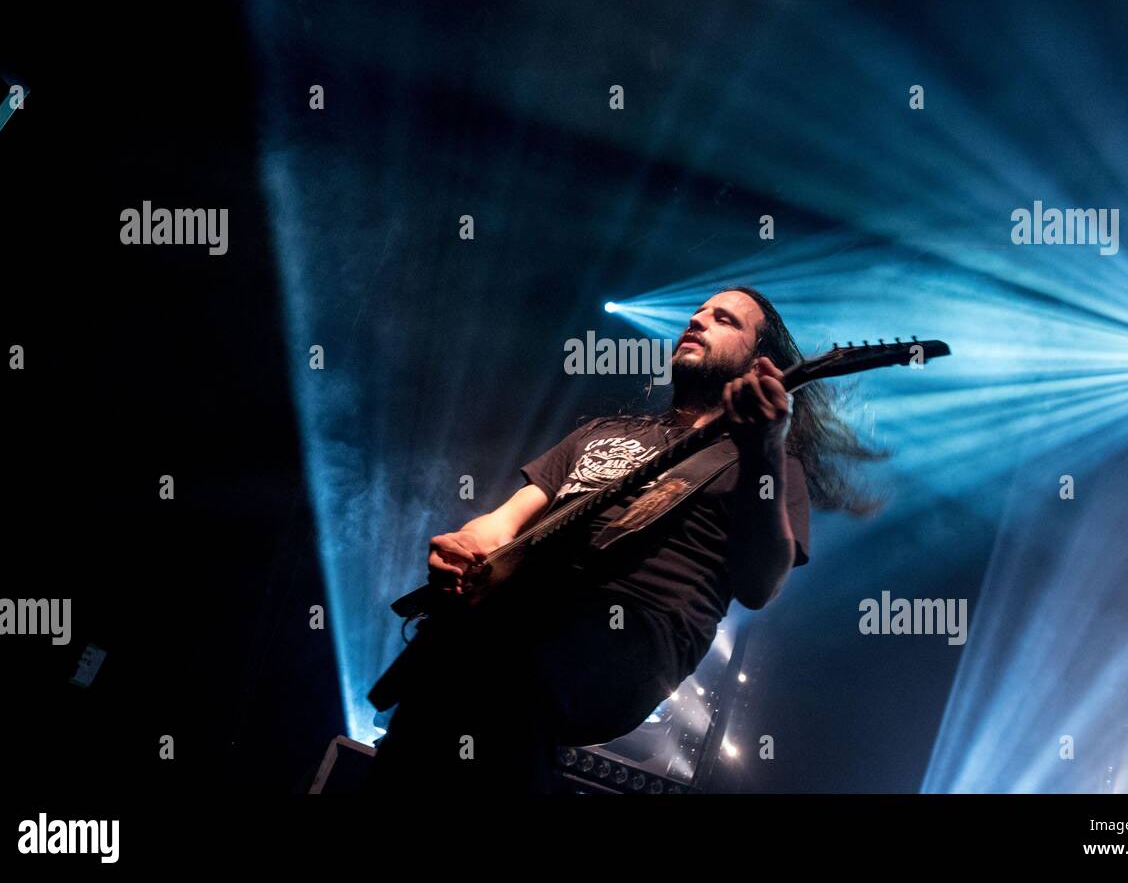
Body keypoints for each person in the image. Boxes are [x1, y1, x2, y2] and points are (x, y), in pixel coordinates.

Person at [365, 286, 874, 794]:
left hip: (633, 635)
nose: (696, 322)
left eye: (723, 320)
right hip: (519, 618)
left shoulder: (765, 462)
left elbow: (761, 585)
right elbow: (504, 521)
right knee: (435, 718)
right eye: (697, 314)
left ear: (759, 364)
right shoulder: (601, 432)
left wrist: (762, 448)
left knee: (502, 672)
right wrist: (466, 544)